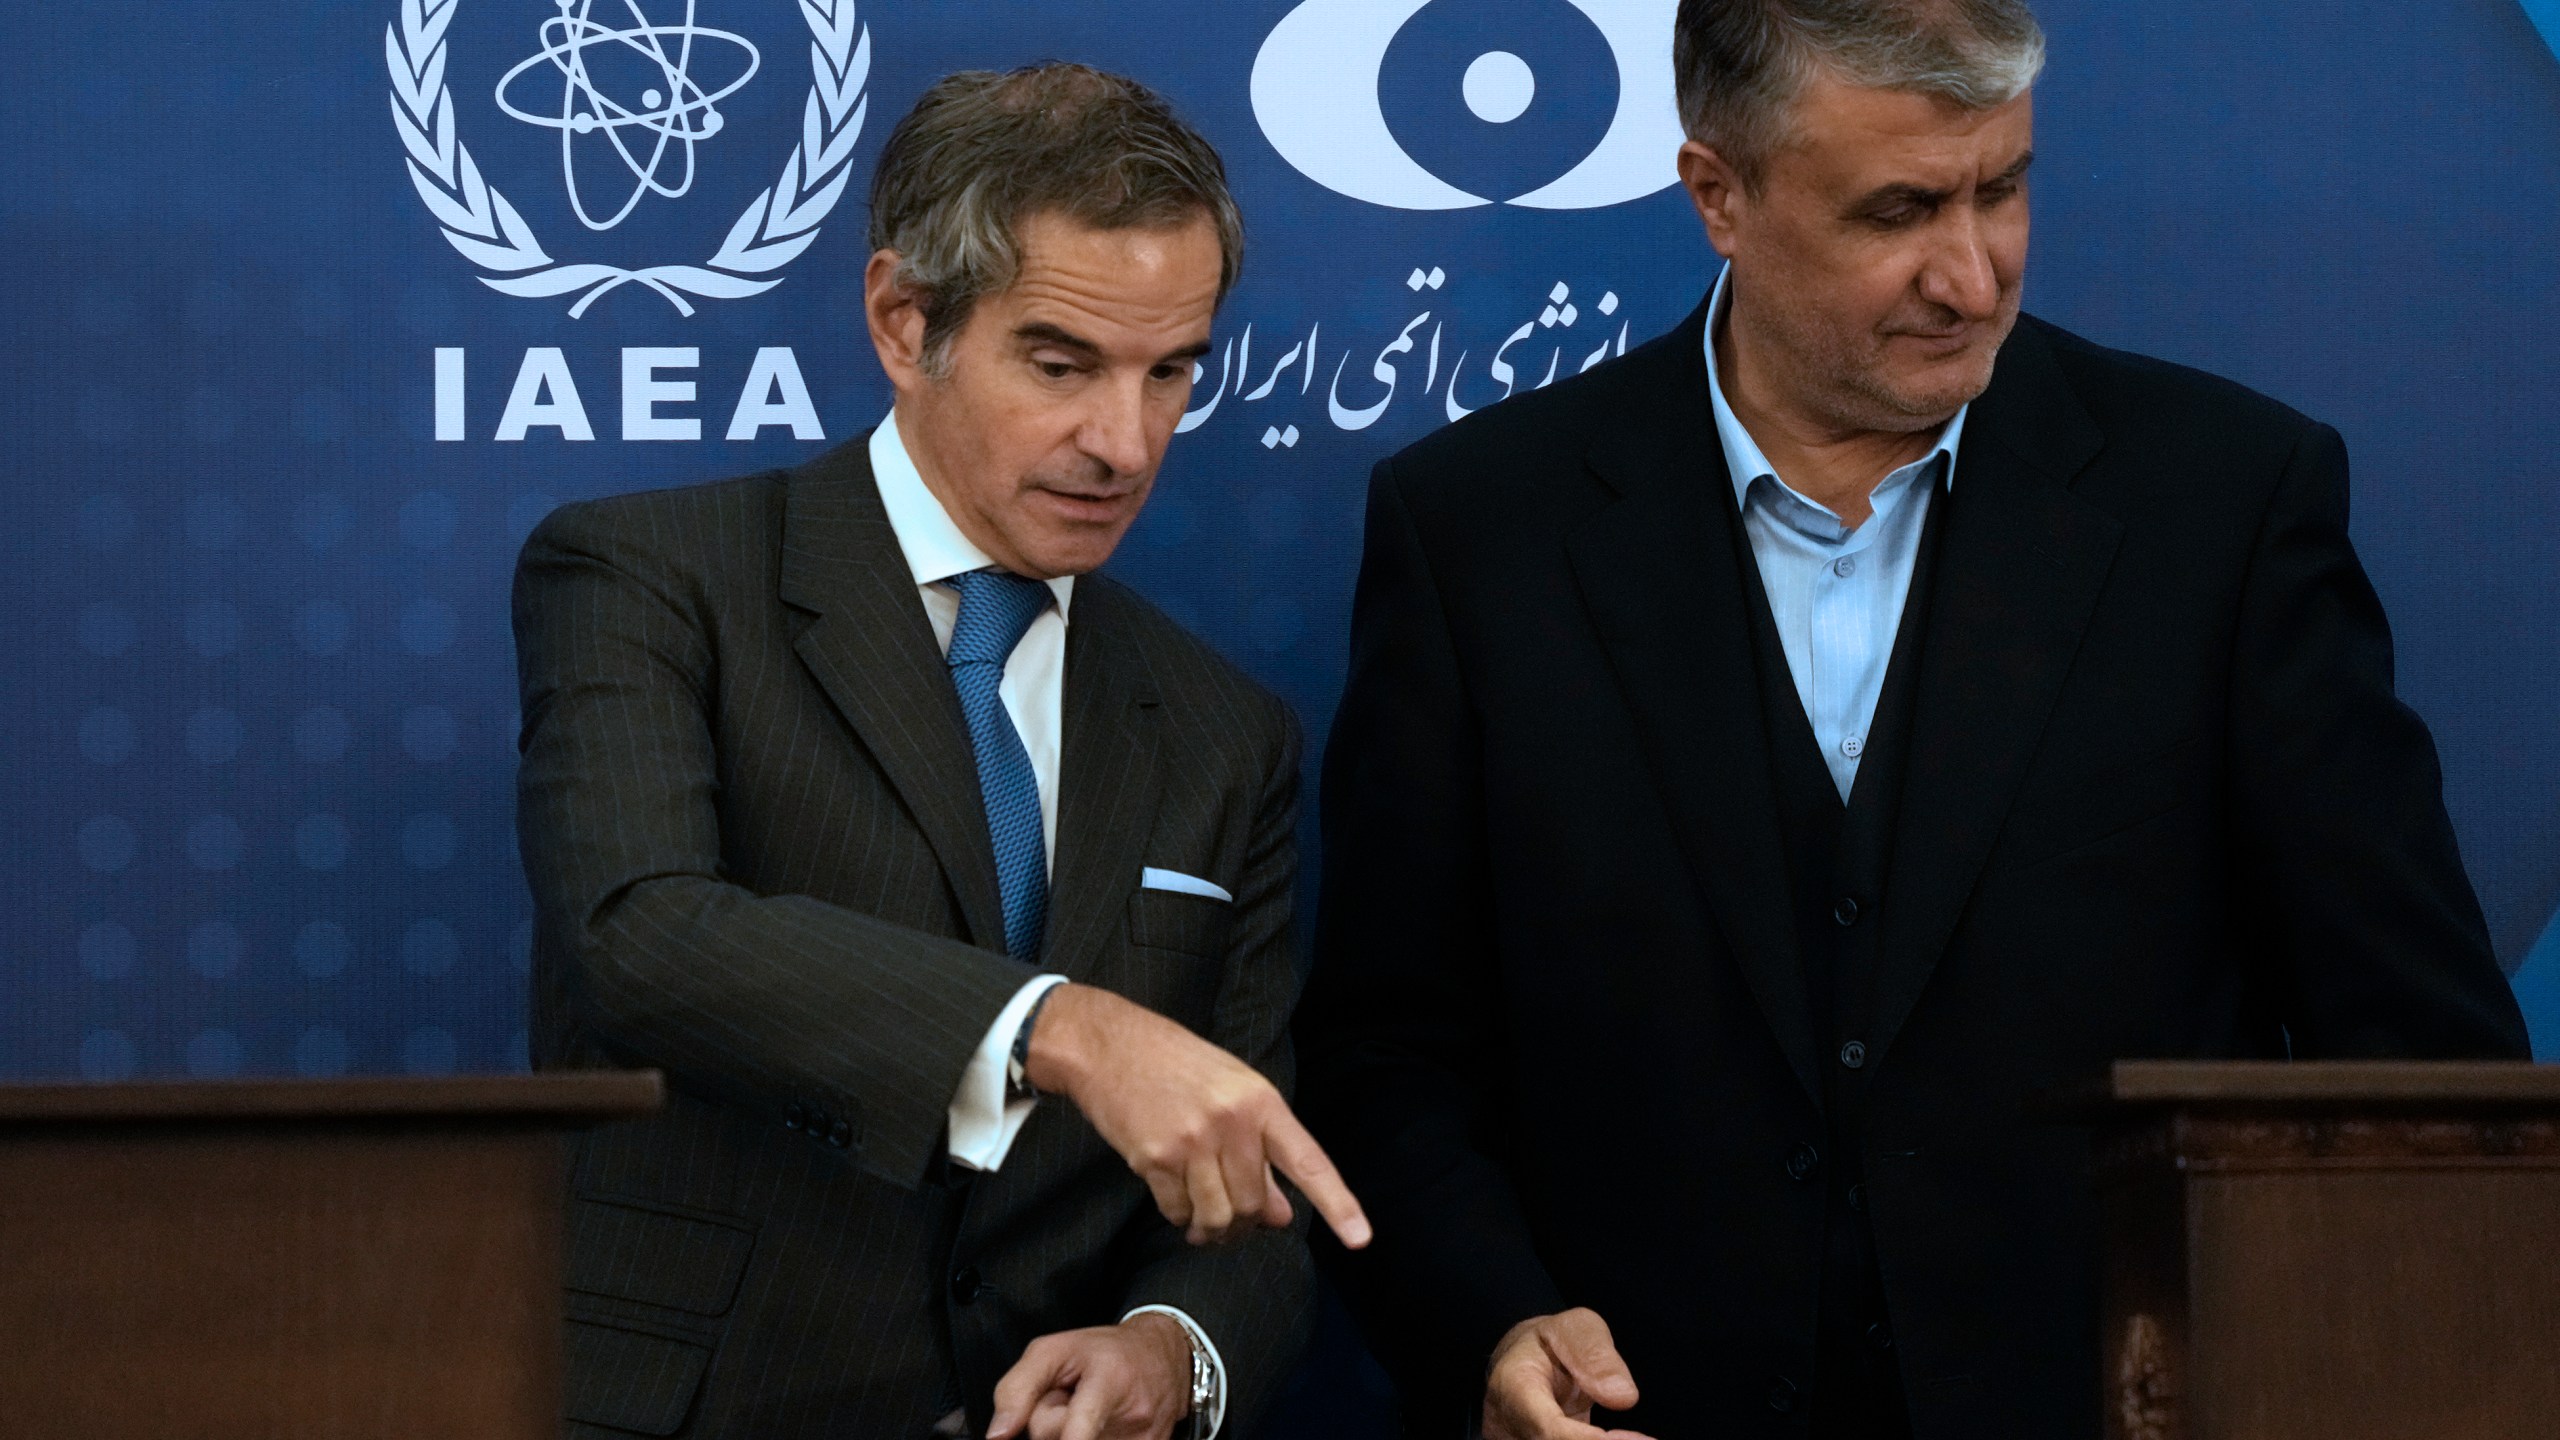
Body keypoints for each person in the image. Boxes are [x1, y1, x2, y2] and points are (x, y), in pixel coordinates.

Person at [1295, 2, 2529, 1437]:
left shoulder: (2227, 508)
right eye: (1899, 210)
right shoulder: (1479, 534)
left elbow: (2422, 1081)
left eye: (2000, 189)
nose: (1971, 273)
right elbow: (1390, 1060)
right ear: (1719, 196)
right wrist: (1494, 1325)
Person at [515, 63, 1367, 1440]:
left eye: (1172, 374)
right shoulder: (650, 576)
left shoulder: (1225, 733)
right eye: (1061, 363)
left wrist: (1173, 1346)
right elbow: (641, 933)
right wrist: (1060, 1028)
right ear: (906, 322)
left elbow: (1247, 1175)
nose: (1125, 441)